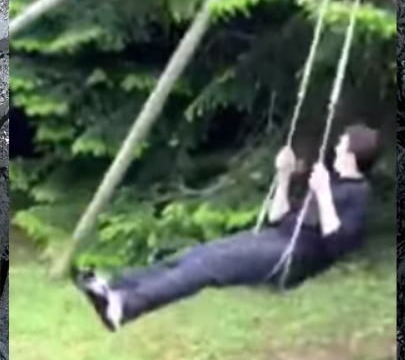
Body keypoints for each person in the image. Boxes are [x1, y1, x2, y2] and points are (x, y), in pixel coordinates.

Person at [73, 124, 380, 332]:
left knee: (207, 267)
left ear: (352, 155)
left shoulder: (357, 192)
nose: (336, 148)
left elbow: (339, 244)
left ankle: (125, 308)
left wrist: (323, 194)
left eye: (341, 145)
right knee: (196, 255)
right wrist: (284, 176)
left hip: (293, 255)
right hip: (275, 237)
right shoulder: (330, 180)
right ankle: (114, 287)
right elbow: (278, 217)